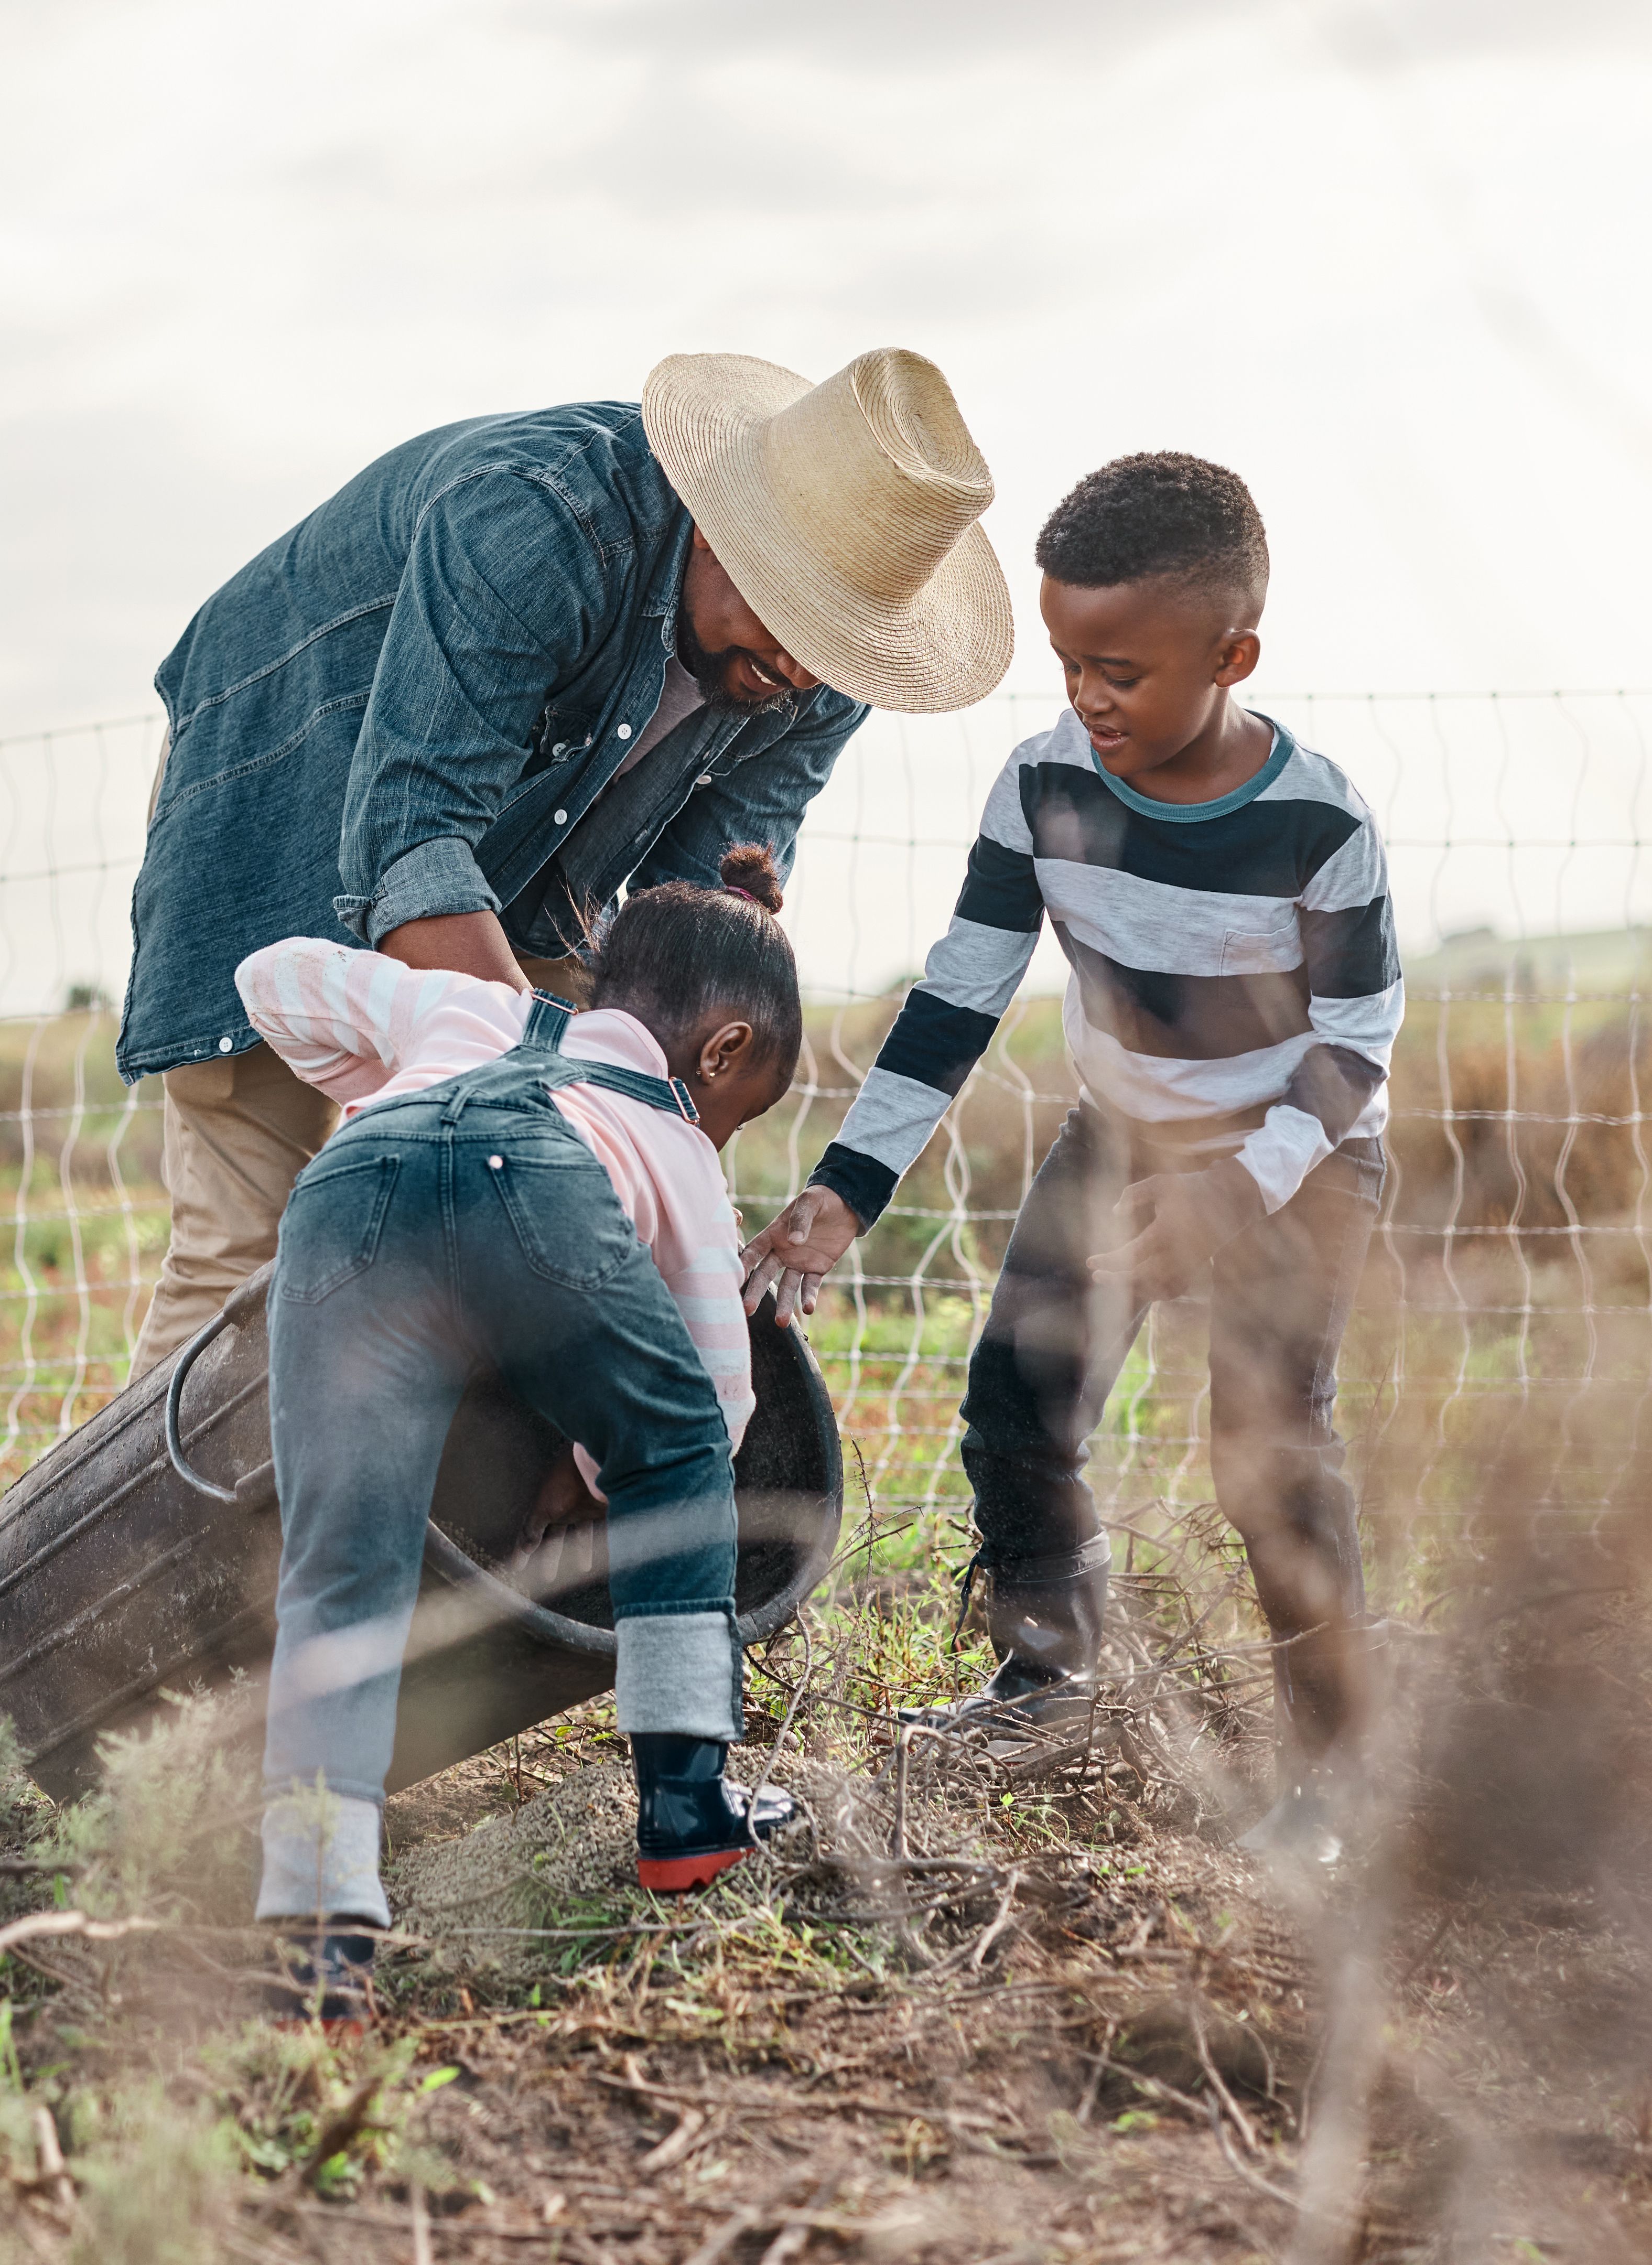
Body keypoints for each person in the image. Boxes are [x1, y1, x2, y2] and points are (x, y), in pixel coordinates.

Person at [739, 454, 1400, 1848]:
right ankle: (1049, 1678)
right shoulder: (1042, 785)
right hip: (1125, 1132)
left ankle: (1336, 1770)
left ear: (1231, 658)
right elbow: (958, 998)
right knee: (1015, 1401)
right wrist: (849, 1191)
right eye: (1067, 663)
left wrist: (1230, 1195)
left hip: (1300, 1151)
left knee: (1266, 1453)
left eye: (1121, 671)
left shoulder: (1322, 822)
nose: (1086, 697)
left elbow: (1355, 1045)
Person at [117, 349, 1014, 1375]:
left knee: (519, 1250)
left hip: (527, 875)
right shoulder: (539, 518)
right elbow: (411, 833)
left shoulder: (820, 677)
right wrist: (562, 1109)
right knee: (249, 1246)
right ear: (722, 528)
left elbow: (692, 932)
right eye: (795, 613)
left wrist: (659, 1167)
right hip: (283, 788)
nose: (805, 666)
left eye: (841, 636)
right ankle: (142, 1491)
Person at [236, 849, 808, 2020]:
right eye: (739, 1115)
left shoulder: (465, 1009)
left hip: (350, 1191)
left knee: (343, 1568)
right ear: (723, 1054)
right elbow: (715, 1401)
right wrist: (592, 1468)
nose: (723, 1134)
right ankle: (686, 1808)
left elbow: (270, 979)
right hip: (541, 1187)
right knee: (679, 1447)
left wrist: (389, 1077)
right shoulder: (675, 1144)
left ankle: (317, 1941)